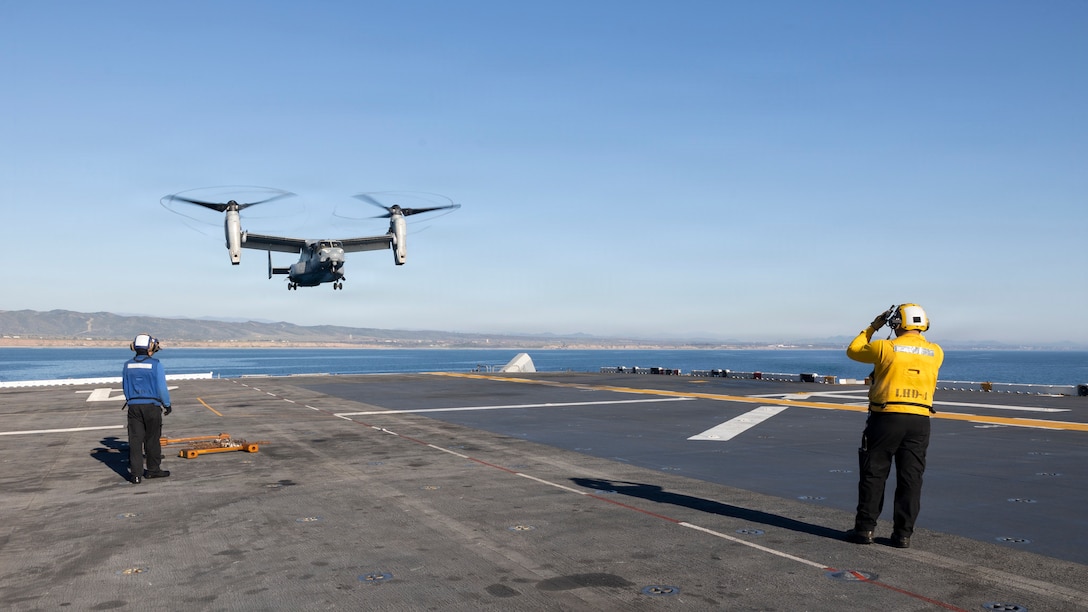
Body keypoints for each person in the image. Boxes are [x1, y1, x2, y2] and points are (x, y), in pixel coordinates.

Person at [844, 304, 943, 548]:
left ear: (898, 323)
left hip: (886, 418)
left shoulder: (885, 347)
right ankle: (903, 535)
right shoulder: (936, 352)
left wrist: (873, 326)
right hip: (919, 421)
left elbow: (853, 350)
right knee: (911, 478)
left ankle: (865, 530)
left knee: (874, 474)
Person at [122, 333, 172, 484]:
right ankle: (153, 470)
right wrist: (167, 404)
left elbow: (125, 387)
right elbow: (162, 388)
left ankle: (136, 475)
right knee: (152, 439)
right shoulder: (155, 364)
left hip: (134, 407)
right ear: (150, 347)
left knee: (135, 441)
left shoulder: (127, 365)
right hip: (152, 407)